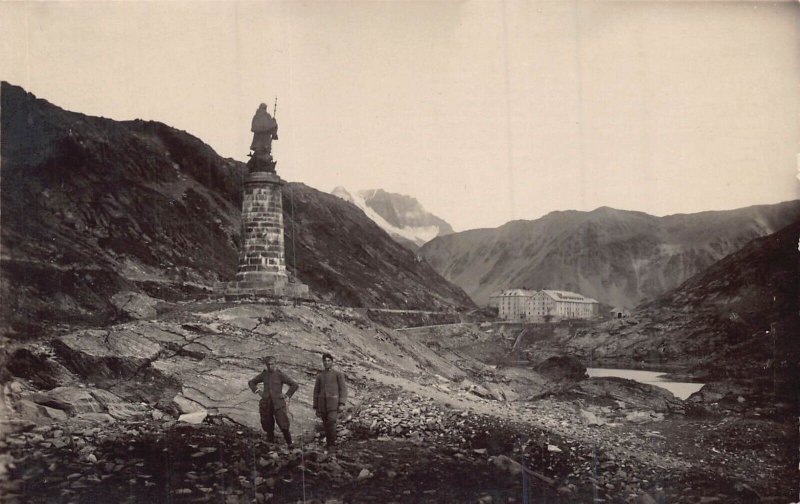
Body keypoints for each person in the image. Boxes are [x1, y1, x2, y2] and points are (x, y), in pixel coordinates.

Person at [248, 355, 298, 447]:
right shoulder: (264, 374)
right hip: (267, 403)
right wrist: (258, 391)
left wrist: (286, 395)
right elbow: (251, 382)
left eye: (272, 364)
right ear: (266, 365)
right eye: (268, 364)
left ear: (275, 364)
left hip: (278, 404)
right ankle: (270, 445)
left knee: (284, 425)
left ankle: (290, 444)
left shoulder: (280, 375)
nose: (270, 366)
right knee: (268, 425)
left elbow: (294, 385)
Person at [313, 353, 348, 448]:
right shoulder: (320, 376)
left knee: (331, 422)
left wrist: (341, 403)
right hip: (322, 405)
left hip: (333, 404)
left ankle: (332, 444)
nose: (327, 362)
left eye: (329, 361)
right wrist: (316, 407)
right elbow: (316, 392)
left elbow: (343, 389)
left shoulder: (338, 374)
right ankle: (329, 444)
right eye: (325, 361)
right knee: (325, 424)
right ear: (323, 362)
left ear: (332, 362)